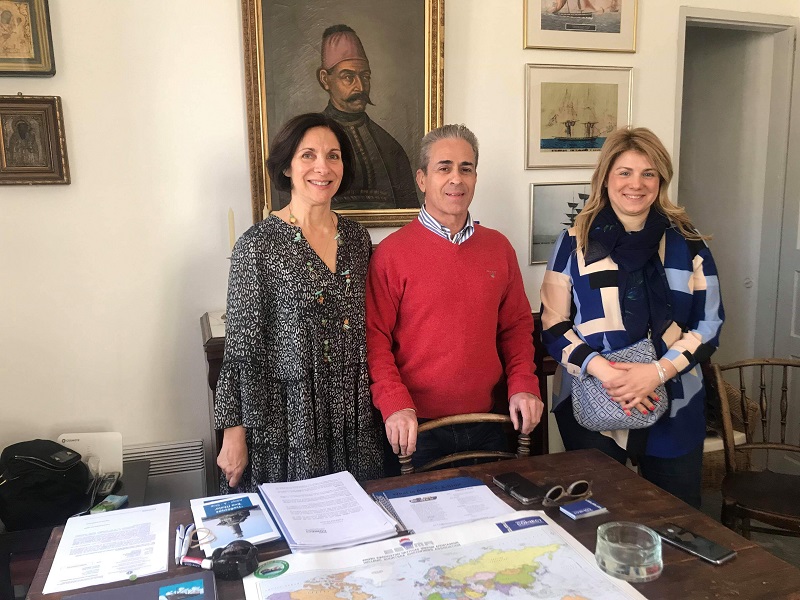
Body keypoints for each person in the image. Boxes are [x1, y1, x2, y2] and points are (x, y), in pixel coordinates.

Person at [540, 127, 724, 508]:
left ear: (661, 180)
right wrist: (607, 373)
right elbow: (553, 325)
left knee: (676, 520)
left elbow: (709, 324)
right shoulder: (574, 242)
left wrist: (656, 373)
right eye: (625, 172)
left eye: (648, 173)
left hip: (675, 402)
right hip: (594, 398)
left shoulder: (688, 243)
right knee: (594, 519)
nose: (636, 184)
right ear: (606, 177)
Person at [215, 112, 385, 492]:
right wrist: (233, 433)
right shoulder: (256, 246)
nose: (322, 167)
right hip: (288, 420)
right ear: (287, 167)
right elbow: (241, 351)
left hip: (352, 417)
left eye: (333, 156)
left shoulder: (357, 239)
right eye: (308, 155)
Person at [366, 124, 544, 469]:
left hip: (490, 421)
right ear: (422, 179)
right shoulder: (391, 254)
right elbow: (375, 339)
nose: (456, 179)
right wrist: (394, 403)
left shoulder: (498, 248)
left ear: (475, 177)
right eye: (444, 168)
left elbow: (517, 327)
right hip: (414, 428)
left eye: (466, 168)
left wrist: (524, 384)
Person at [315, 24, 418, 210]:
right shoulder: (307, 144)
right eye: (348, 77)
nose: (361, 87)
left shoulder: (390, 148)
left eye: (365, 77)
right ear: (325, 79)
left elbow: (409, 214)